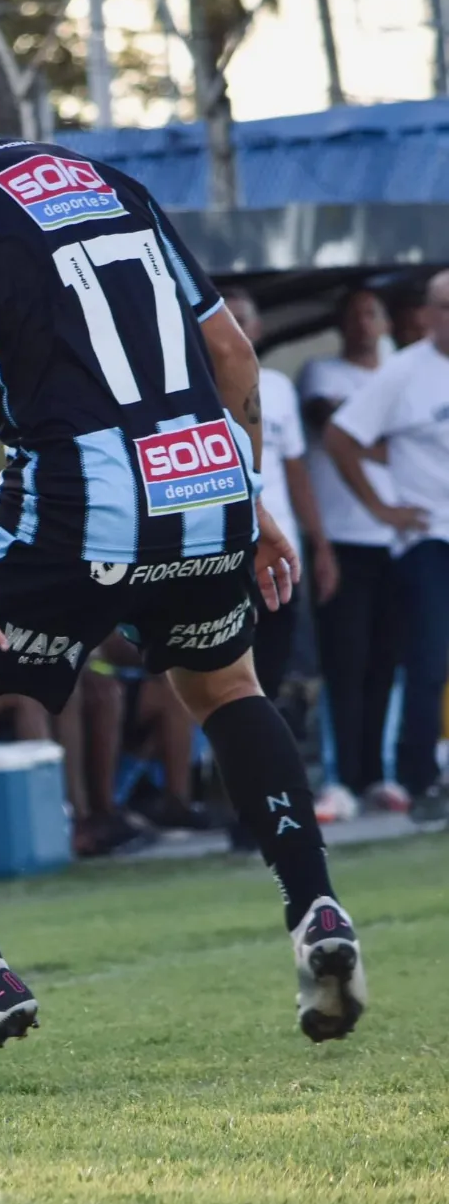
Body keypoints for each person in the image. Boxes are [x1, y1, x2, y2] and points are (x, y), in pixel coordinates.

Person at [0, 34, 365, 1088]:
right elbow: (230, 351)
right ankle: (313, 903)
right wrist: (252, 493)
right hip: (207, 474)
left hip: (86, 496)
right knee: (225, 684)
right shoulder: (108, 181)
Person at [325, 270, 449, 818]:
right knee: (429, 659)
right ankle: (421, 780)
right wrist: (382, 507)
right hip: (427, 536)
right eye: (443, 307)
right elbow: (340, 436)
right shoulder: (405, 372)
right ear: (426, 314)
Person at [297, 289, 398, 802]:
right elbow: (333, 424)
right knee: (345, 660)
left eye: (370, 313)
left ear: (385, 323)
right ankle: (340, 777)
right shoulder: (322, 373)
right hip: (342, 539)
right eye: (353, 314)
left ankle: (376, 773)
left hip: (398, 540)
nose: (362, 322)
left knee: (387, 660)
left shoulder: (402, 372)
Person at [225, 289, 338, 700]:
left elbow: (297, 474)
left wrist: (320, 547)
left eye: (241, 318)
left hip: (278, 547)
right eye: (225, 318)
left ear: (256, 328)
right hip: (223, 549)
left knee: (271, 668)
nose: (234, 327)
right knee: (224, 670)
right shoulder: (195, 387)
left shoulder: (278, 388)